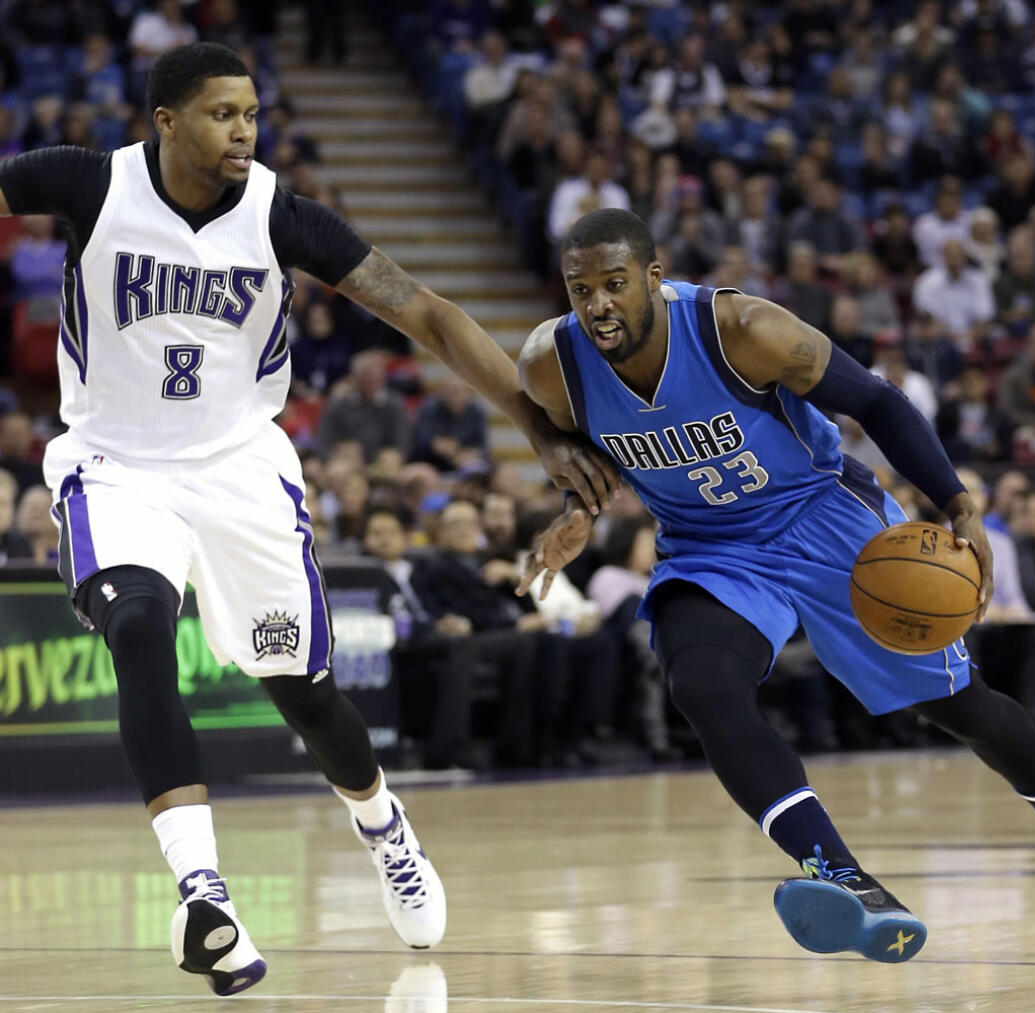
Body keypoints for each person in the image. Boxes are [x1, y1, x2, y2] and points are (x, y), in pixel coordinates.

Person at [0, 43, 616, 997]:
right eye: (221, 114)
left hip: (242, 471)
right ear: (164, 121)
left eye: (251, 112)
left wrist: (535, 431)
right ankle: (205, 893)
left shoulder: (281, 215)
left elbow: (433, 316)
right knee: (136, 628)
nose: (244, 129)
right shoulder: (87, 184)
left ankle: (382, 825)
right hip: (116, 465)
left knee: (305, 694)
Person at [515, 207, 1035, 964]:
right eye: (580, 288)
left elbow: (878, 401)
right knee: (702, 682)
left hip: (820, 514)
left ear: (654, 279)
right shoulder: (552, 364)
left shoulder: (743, 330)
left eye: (614, 284)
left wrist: (959, 503)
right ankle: (841, 874)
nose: (597, 304)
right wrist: (576, 508)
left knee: (960, 705)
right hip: (710, 546)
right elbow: (574, 445)